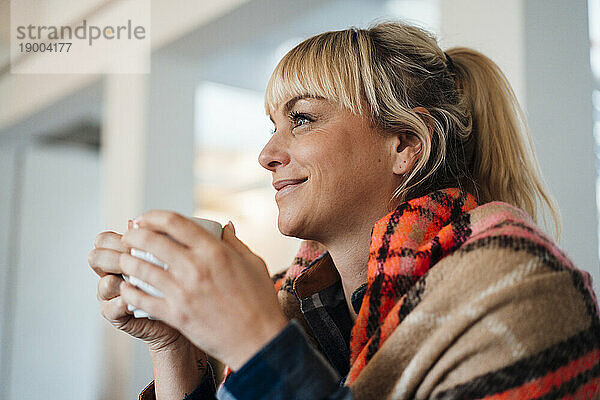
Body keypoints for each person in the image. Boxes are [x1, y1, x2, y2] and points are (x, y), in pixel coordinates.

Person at [88, 21, 600, 399]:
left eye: (303, 119)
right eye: (273, 126)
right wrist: (174, 344)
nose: (266, 155)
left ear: (404, 143)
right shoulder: (305, 305)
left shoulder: (518, 292)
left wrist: (255, 343)